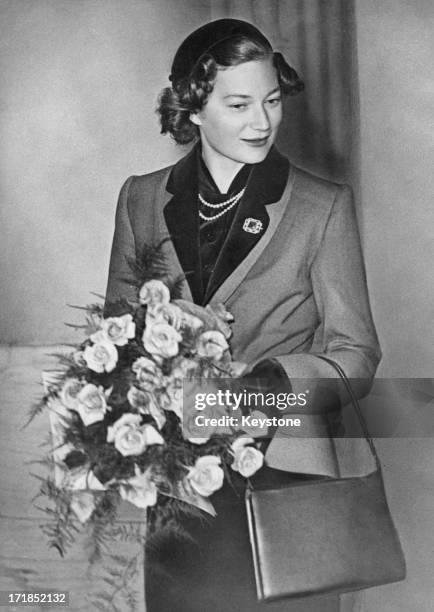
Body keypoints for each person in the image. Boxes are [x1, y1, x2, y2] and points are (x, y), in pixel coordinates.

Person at [105, 18, 381, 612]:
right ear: (193, 108)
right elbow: (117, 340)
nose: (263, 122)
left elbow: (356, 356)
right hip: (180, 490)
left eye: (273, 101)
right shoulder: (141, 198)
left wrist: (272, 386)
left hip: (290, 487)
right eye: (239, 104)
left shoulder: (322, 206)